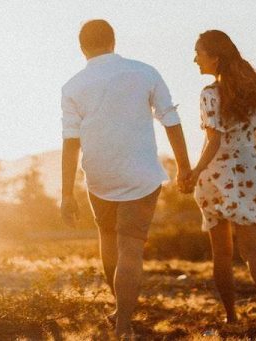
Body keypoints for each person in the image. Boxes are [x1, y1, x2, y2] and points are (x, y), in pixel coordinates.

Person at [60, 19, 193, 338]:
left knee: (108, 240)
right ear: (113, 42)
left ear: (82, 48)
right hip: (141, 175)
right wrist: (185, 168)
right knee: (130, 248)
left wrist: (66, 194)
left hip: (99, 176)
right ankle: (123, 326)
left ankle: (121, 311)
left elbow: (70, 142)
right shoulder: (145, 72)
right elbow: (171, 120)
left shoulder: (73, 86)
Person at [182, 29, 256, 339]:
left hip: (216, 178)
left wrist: (195, 170)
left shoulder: (210, 94)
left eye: (198, 52)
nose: (194, 59)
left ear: (215, 56)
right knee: (252, 249)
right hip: (249, 175)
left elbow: (214, 140)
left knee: (222, 254)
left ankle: (230, 318)